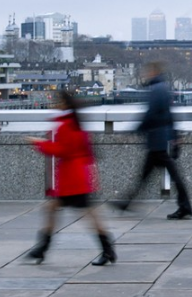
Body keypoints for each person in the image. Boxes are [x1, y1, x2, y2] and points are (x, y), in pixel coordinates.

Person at [26, 91, 115, 266]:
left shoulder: (66, 125)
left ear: (65, 105)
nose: (54, 104)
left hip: (72, 179)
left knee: (84, 214)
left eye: (58, 101)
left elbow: (62, 150)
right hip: (76, 176)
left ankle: (43, 248)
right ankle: (42, 248)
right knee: (62, 210)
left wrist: (38, 143)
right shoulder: (75, 123)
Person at [113, 61, 192, 220]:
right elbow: (169, 115)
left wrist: (132, 131)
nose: (144, 74)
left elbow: (150, 114)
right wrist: (175, 136)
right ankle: (126, 202)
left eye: (146, 71)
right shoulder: (163, 88)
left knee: (163, 175)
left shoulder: (156, 89)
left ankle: (185, 206)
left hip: (158, 140)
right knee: (149, 175)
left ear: (153, 72)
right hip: (162, 138)